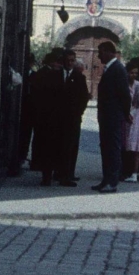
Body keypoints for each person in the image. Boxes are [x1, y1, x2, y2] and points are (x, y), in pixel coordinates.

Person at [93, 42, 131, 193]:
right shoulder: (110, 69)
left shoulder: (118, 69)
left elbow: (125, 95)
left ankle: (112, 181)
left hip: (114, 116)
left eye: (100, 52)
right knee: (106, 148)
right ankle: (106, 179)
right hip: (106, 116)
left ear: (109, 52)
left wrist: (124, 113)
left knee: (113, 149)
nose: (99, 55)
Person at [30, 51, 66, 186]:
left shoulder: (43, 73)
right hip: (49, 118)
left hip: (46, 118)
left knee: (46, 147)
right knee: (49, 148)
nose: (59, 65)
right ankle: (47, 175)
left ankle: (47, 174)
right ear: (52, 62)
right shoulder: (48, 74)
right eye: (57, 62)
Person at [57, 49, 90, 186]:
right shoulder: (56, 74)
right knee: (58, 145)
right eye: (68, 60)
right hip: (57, 117)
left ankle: (68, 174)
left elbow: (84, 97)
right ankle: (56, 172)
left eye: (72, 61)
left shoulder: (79, 77)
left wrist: (78, 113)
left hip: (73, 117)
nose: (70, 63)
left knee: (71, 146)